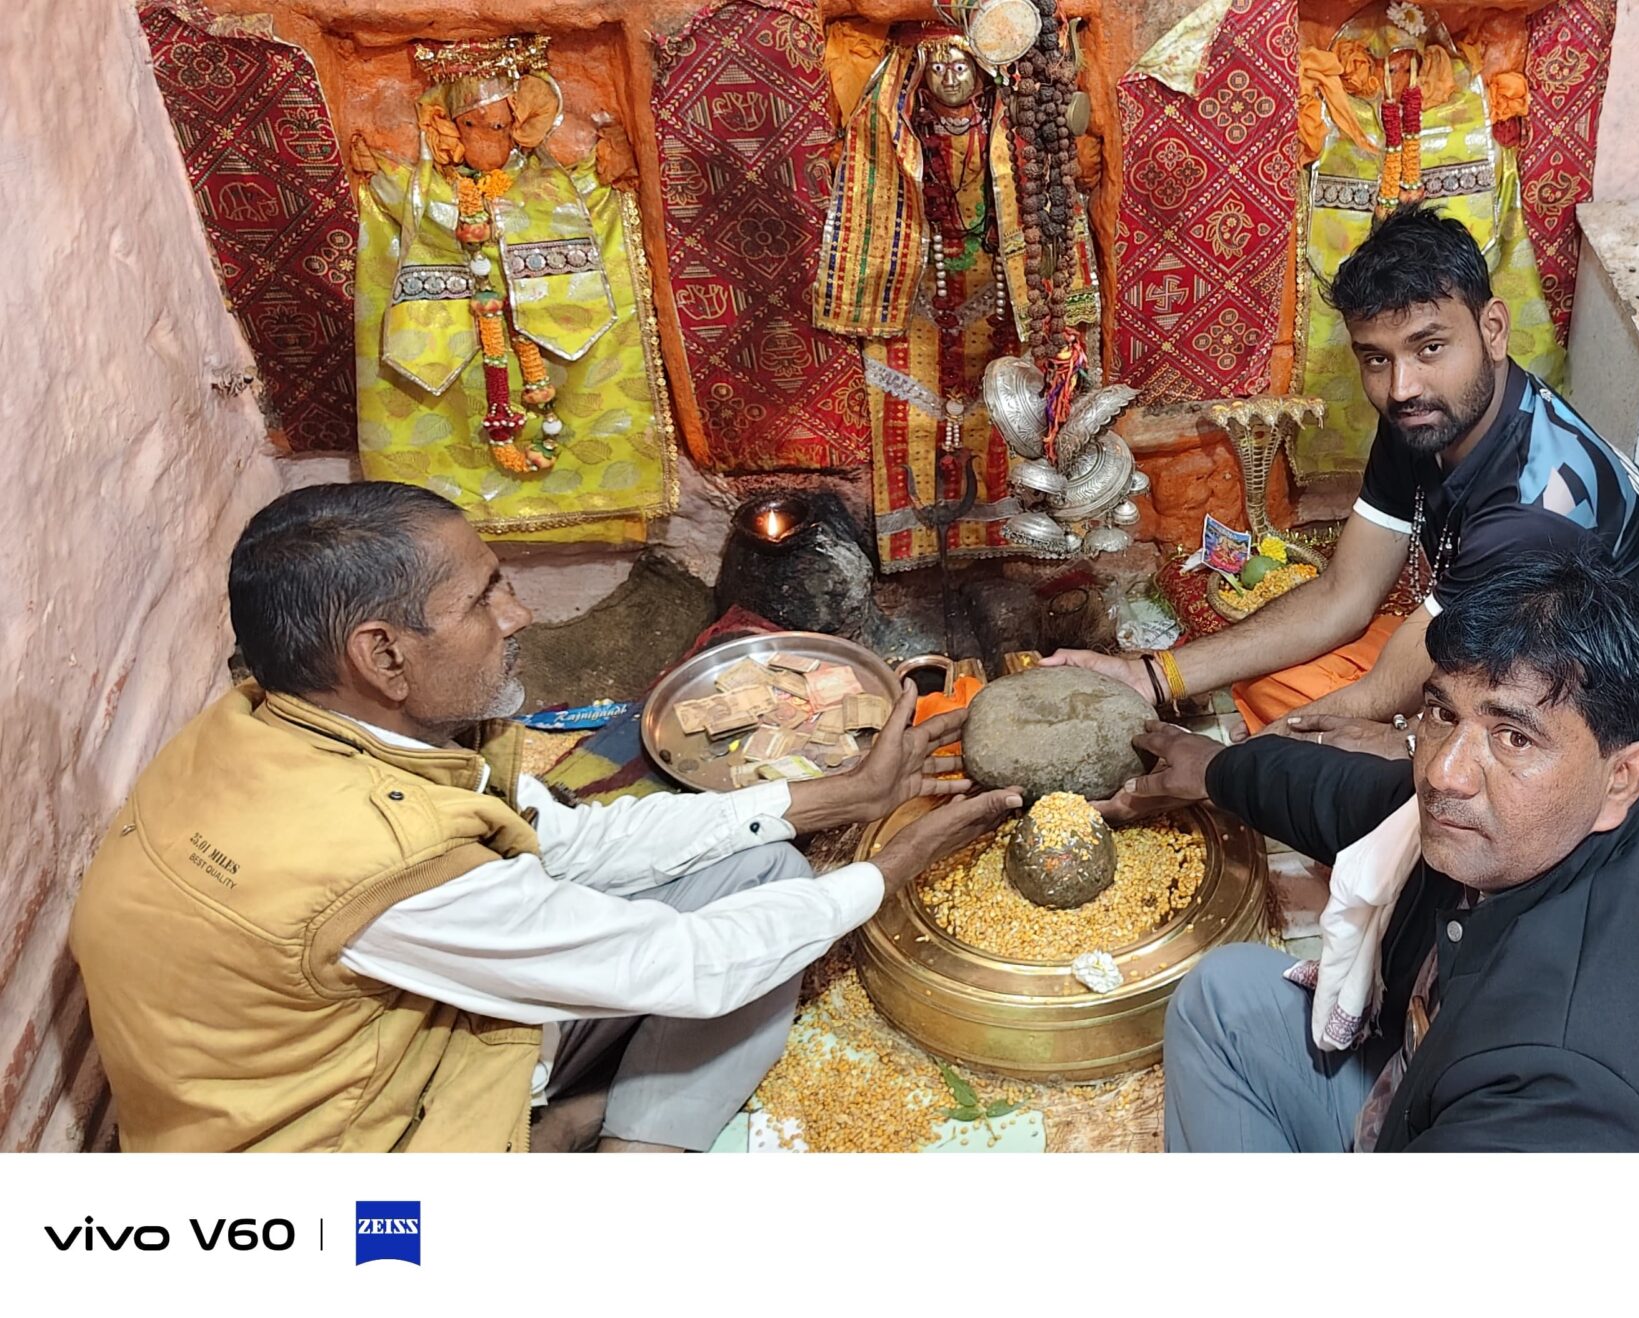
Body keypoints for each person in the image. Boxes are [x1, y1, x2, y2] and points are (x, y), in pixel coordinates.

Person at [69, 483, 1016, 1152]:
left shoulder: (283, 722)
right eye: (484, 597)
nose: (518, 615)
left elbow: (576, 844)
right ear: (384, 656)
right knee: (756, 943)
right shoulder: (369, 862)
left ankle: (593, 1122)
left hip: (400, 1039)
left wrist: (843, 798)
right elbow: (683, 965)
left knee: (766, 873)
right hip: (352, 1161)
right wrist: (884, 871)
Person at [1125, 549, 1639, 1151]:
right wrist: (1215, 769)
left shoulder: (1569, 1092)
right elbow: (1358, 798)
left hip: (1498, 1106)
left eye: (1514, 737)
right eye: (1441, 714)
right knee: (1225, 997)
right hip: (1431, 1079)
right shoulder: (1596, 807)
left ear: (1623, 776)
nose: (1442, 774)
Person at [1047, 204, 1639, 781]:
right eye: (1376, 359)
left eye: (1429, 347)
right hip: (1521, 668)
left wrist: (1223, 773)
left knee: (1374, 770)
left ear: (1493, 329)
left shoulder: (1535, 508)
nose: (1401, 387)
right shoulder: (1426, 418)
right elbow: (1343, 596)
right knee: (1276, 688)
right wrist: (1152, 676)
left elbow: (1387, 692)